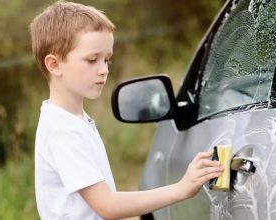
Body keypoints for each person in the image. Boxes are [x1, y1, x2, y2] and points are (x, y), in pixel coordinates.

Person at [30, 1, 224, 219]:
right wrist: (181, 189)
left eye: (107, 60)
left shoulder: (73, 119)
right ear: (54, 65)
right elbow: (107, 205)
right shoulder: (63, 130)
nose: (103, 70)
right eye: (92, 60)